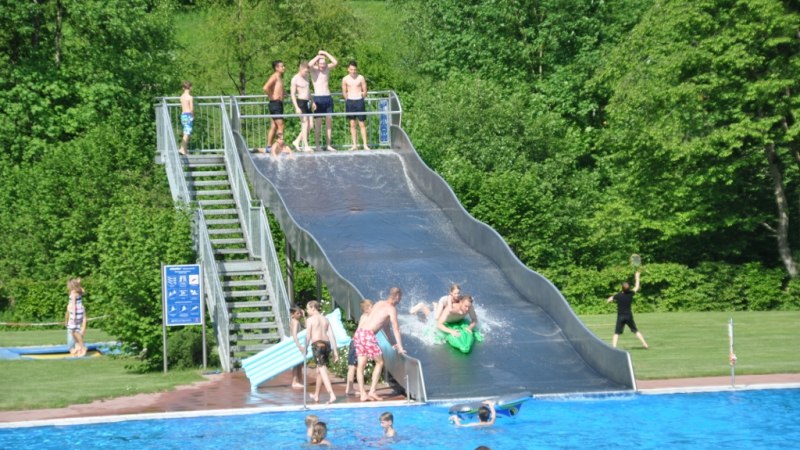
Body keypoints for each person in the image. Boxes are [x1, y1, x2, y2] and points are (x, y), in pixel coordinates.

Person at [353, 287, 406, 402]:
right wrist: (400, 347)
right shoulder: (391, 309)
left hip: (359, 333)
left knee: (361, 366)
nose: (400, 299)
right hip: (368, 335)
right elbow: (396, 328)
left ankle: (363, 394)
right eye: (400, 297)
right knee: (380, 362)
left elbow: (385, 327)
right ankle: (372, 391)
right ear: (397, 296)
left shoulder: (379, 303)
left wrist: (392, 343)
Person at [305, 301, 340, 404]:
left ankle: (331, 394)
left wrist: (305, 348)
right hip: (327, 345)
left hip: (317, 345)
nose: (307, 311)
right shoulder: (325, 319)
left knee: (322, 369)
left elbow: (308, 336)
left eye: (308, 308)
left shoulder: (310, 320)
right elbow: (332, 336)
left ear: (313, 308)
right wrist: (335, 351)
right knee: (319, 371)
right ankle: (316, 395)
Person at [607, 270, 649, 349]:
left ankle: (614, 347)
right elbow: (636, 287)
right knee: (635, 330)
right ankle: (645, 344)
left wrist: (612, 299)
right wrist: (637, 276)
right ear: (628, 288)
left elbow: (609, 300)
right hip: (629, 316)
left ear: (622, 288)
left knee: (616, 333)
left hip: (620, 317)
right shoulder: (630, 294)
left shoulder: (618, 295)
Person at [308, 50, 338, 151]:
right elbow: (309, 64)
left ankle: (328, 145)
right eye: (321, 63)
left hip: (328, 97)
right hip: (318, 98)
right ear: (317, 63)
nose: (322, 65)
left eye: (324, 63)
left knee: (329, 123)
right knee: (318, 124)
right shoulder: (313, 70)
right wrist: (318, 56)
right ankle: (317, 145)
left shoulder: (327, 69)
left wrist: (325, 53)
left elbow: (335, 62)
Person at [346, 299, 373, 396]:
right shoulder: (367, 316)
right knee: (353, 366)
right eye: (372, 306)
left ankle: (349, 388)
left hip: (355, 341)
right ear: (368, 307)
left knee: (352, 366)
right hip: (357, 341)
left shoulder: (363, 316)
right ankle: (349, 389)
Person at [341, 60, 370, 151]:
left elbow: (365, 90)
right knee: (352, 124)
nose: (353, 71)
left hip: (359, 101)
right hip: (350, 101)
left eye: (354, 69)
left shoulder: (361, 78)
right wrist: (347, 99)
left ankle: (365, 145)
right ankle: (354, 145)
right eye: (351, 69)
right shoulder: (345, 79)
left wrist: (361, 98)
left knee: (362, 123)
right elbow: (344, 91)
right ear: (348, 69)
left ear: (357, 69)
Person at [259, 60, 286, 153]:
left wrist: (285, 93)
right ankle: (280, 147)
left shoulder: (280, 77)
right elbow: (265, 87)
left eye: (284, 66)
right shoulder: (275, 76)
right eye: (282, 66)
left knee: (274, 126)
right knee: (281, 125)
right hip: (275, 104)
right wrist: (272, 96)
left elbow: (279, 89)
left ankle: (269, 147)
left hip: (278, 104)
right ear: (276, 68)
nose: (284, 68)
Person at [290, 61, 313, 152]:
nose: (306, 73)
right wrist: (296, 107)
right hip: (300, 102)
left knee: (311, 125)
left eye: (308, 72)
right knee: (305, 123)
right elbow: (292, 94)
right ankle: (306, 145)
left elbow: (308, 91)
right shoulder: (295, 79)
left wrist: (313, 101)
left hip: (308, 102)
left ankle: (297, 141)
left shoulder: (307, 77)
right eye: (305, 71)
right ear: (300, 69)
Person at [64, 278, 87, 357]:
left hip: (75, 314)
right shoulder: (79, 291)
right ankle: (79, 347)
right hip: (79, 312)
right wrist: (78, 283)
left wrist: (73, 317)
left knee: (74, 331)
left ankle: (82, 347)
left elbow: (73, 305)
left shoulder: (73, 293)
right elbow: (83, 290)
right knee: (74, 331)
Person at [289, 304, 305, 389]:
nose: (299, 315)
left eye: (300, 313)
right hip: (296, 344)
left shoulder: (295, 321)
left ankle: (299, 380)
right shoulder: (295, 322)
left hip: (295, 344)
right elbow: (295, 335)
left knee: (299, 364)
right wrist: (299, 346)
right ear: (293, 314)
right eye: (297, 313)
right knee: (296, 364)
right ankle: (295, 382)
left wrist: (304, 316)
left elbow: (306, 326)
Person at [179, 81, 194, 155]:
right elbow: (191, 108)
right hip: (188, 115)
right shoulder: (190, 97)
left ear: (183, 88)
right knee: (187, 133)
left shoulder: (181, 97)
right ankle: (182, 149)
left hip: (183, 115)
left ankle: (184, 150)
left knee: (186, 131)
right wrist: (193, 115)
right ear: (190, 88)